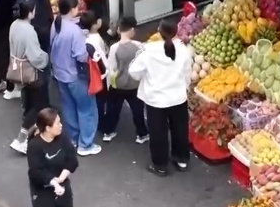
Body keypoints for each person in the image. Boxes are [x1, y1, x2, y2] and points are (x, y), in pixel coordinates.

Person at [129, 17, 194, 176]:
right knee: (179, 129)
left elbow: (134, 72)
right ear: (176, 33)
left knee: (158, 132)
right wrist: (182, 87)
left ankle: (160, 165)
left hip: (156, 100)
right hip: (178, 97)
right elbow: (187, 73)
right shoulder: (183, 50)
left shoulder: (149, 52)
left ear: (159, 31)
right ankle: (181, 160)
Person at [50, 0, 101, 156]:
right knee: (86, 108)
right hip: (74, 75)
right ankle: (86, 144)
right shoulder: (74, 31)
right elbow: (80, 56)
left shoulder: (56, 24)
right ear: (72, 9)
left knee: (69, 106)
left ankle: (73, 139)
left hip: (59, 73)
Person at [8, 0, 51, 154]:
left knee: (28, 103)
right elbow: (36, 56)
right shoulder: (29, 31)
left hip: (18, 69)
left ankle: (30, 135)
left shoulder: (14, 25)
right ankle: (22, 139)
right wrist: (46, 57)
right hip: (31, 71)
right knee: (37, 106)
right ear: (30, 13)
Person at [102, 16, 148, 144]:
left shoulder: (114, 48)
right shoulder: (139, 46)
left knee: (113, 110)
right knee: (138, 111)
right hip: (134, 85)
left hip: (117, 85)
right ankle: (142, 134)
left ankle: (108, 132)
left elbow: (111, 68)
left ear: (118, 30)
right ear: (132, 30)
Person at [19, 0, 56, 108]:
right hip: (37, 38)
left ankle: (42, 103)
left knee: (43, 73)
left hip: (44, 33)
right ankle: (40, 106)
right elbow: (30, 21)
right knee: (39, 74)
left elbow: (46, 6)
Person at [26, 108, 78, 207]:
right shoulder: (34, 145)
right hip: (43, 191)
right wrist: (53, 182)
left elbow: (72, 160)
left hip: (62, 185)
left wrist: (60, 179)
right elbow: (36, 172)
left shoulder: (62, 138)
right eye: (58, 123)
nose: (61, 125)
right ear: (48, 128)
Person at [77, 11, 109, 136]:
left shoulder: (85, 38)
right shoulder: (94, 41)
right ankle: (101, 123)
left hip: (94, 75)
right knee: (101, 101)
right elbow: (99, 59)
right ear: (96, 24)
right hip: (100, 75)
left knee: (98, 100)